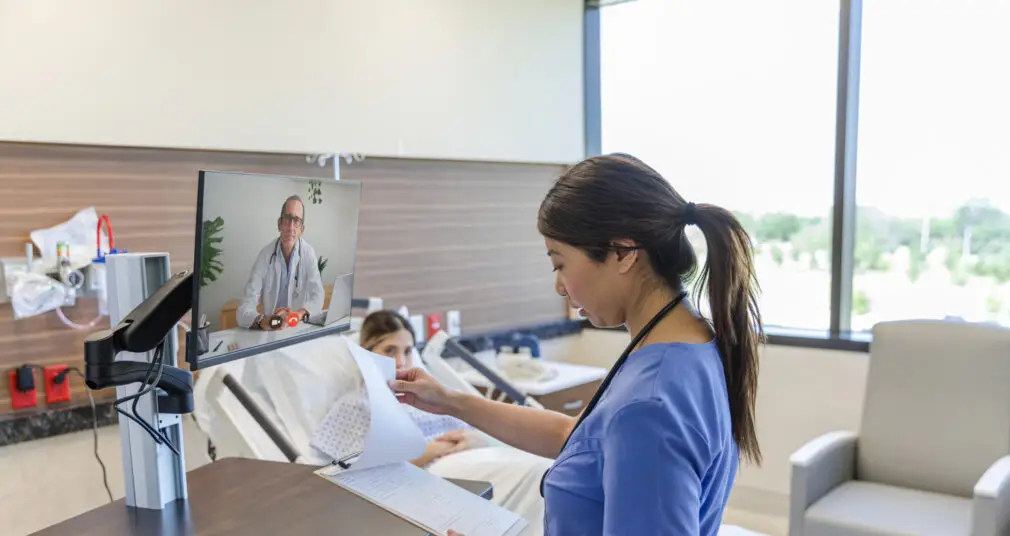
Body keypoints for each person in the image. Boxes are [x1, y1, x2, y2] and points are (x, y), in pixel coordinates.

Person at [389, 153, 764, 536]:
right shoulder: (689, 344)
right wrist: (449, 400)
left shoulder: (648, 405)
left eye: (560, 263)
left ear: (623, 252)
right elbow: (576, 438)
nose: (558, 286)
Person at [309, 309, 549, 535]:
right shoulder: (356, 404)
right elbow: (355, 473)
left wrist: (479, 439)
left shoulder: (428, 394)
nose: (401, 361)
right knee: (541, 478)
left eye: (407, 351)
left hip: (475, 456)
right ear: (366, 352)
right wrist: (432, 450)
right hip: (431, 474)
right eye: (390, 350)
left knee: (548, 469)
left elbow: (472, 430)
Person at [236, 195, 325, 331]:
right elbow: (244, 308)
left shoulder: (308, 253)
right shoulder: (265, 255)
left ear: (302, 229)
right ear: (279, 224)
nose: (290, 227)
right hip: (271, 330)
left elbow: (318, 295)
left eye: (296, 221)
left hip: (297, 328)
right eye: (287, 218)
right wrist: (263, 320)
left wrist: (298, 314)